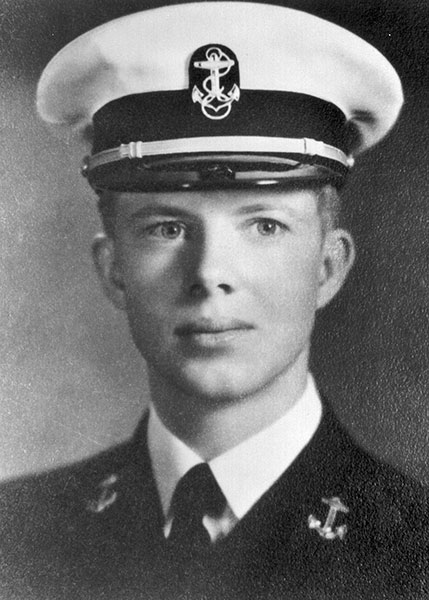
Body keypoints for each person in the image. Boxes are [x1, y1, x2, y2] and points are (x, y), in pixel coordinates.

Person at [0, 3, 427, 599]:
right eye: (166, 228)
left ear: (329, 267)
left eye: (264, 226)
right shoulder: (15, 535)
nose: (209, 275)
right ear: (113, 270)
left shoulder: (414, 546)